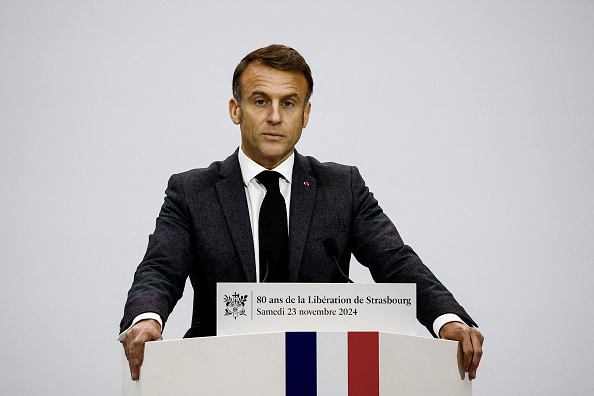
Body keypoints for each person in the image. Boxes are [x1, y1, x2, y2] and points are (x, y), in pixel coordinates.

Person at [119, 44, 484, 382]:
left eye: (289, 103)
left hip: (323, 370)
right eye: (260, 101)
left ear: (306, 113)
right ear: (236, 109)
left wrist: (446, 318)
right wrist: (146, 318)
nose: (275, 117)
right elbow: (160, 269)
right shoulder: (191, 191)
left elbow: (396, 261)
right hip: (220, 371)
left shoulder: (343, 187)